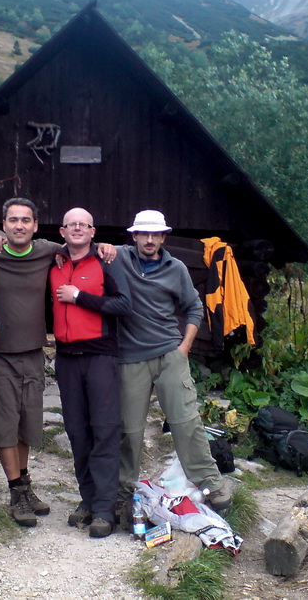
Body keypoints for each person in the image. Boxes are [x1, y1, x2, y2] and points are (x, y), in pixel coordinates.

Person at [0, 198, 115, 528]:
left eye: (25, 220)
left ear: (35, 225)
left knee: (28, 423)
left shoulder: (46, 251)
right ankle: (16, 492)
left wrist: (105, 246)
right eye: (12, 220)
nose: (19, 225)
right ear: (3, 224)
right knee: (5, 426)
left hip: (33, 352)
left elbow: (78, 241)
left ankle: (25, 486)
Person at [114, 210, 233, 525]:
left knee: (186, 421)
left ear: (164, 237)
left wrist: (184, 348)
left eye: (156, 235)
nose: (150, 240)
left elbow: (194, 307)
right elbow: (75, 243)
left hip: (170, 354)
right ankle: (123, 491)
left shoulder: (176, 268)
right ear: (134, 236)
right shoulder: (116, 258)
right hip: (131, 358)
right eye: (144, 234)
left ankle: (211, 483)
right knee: (130, 429)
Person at [50, 207, 131, 538]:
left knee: (104, 431)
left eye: (84, 224)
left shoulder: (105, 262)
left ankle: (104, 509)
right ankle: (88, 499)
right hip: (67, 359)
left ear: (93, 231)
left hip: (100, 357)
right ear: (63, 231)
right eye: (72, 225)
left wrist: (80, 296)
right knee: (77, 432)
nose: (78, 229)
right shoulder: (53, 263)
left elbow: (123, 304)